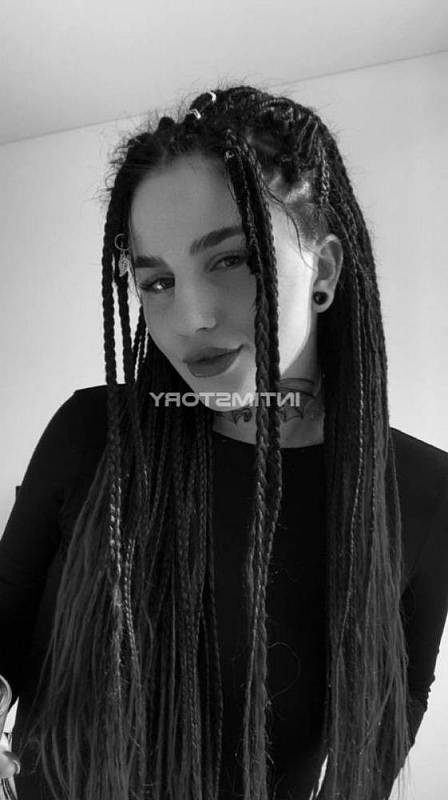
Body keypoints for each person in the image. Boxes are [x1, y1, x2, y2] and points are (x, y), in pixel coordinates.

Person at [0, 84, 447, 800]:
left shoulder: (422, 489)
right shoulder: (92, 433)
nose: (191, 318)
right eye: (157, 280)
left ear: (325, 269)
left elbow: (399, 699)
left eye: (230, 259)